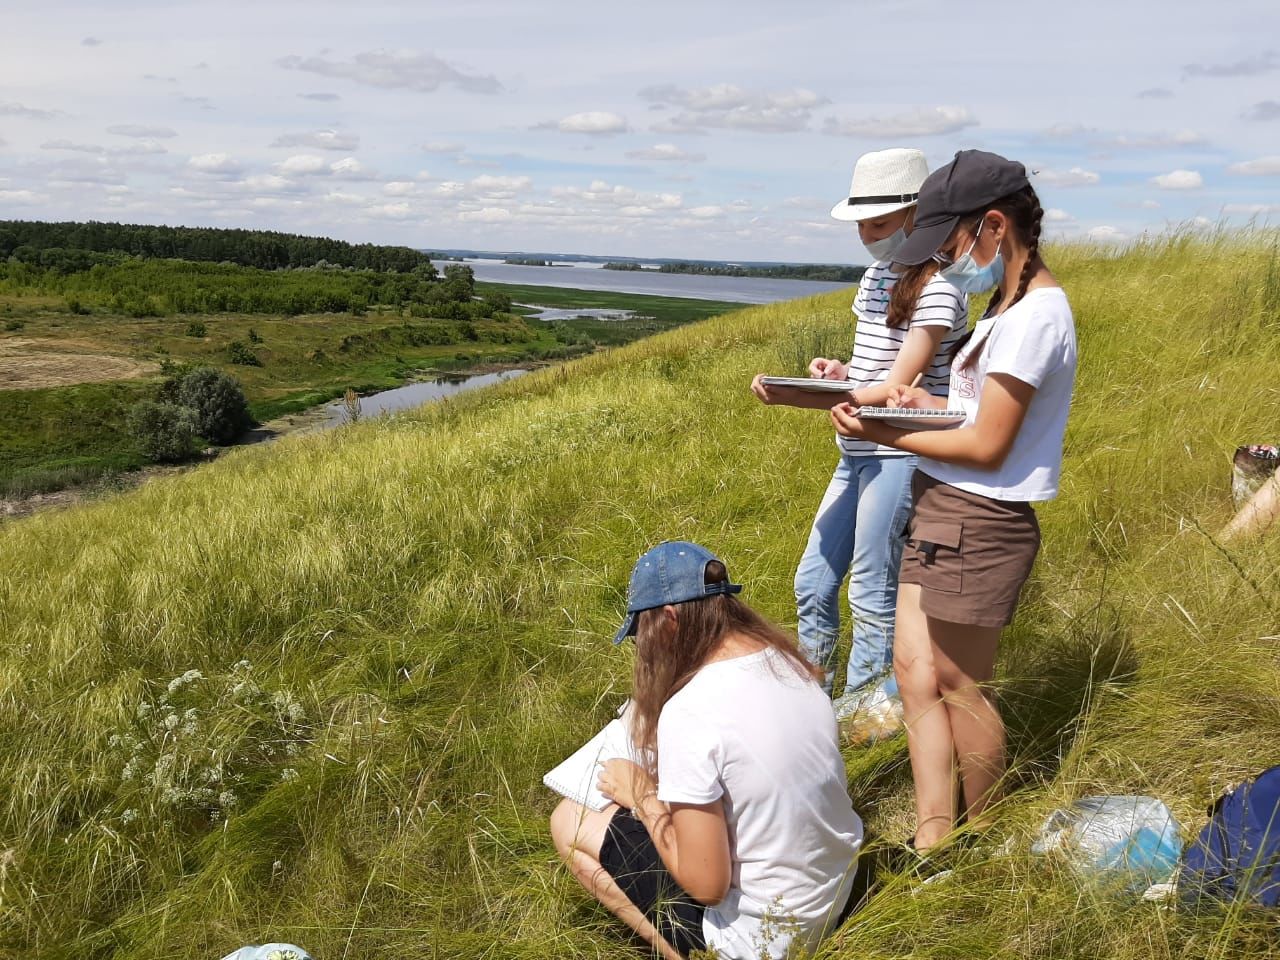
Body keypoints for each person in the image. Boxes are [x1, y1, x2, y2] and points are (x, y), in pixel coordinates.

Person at [828, 149, 1077, 852]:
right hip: (946, 504)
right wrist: (924, 403)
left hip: (983, 517)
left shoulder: (1036, 317)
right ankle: (934, 835)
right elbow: (975, 413)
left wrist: (886, 429)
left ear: (993, 226)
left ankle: (982, 835)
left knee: (962, 686)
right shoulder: (1006, 307)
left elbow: (990, 446)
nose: (942, 256)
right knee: (914, 672)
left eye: (949, 241)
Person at [549, 541, 863, 960]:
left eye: (642, 633)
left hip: (763, 941)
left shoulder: (690, 711)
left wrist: (642, 796)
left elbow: (708, 887)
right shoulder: (788, 664)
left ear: (670, 619)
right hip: (836, 893)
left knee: (569, 819)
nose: (642, 649)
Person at [751, 147, 968, 735]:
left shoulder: (942, 286)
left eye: (877, 224)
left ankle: (859, 723)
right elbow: (873, 369)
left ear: (915, 218)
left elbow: (902, 384)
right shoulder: (876, 278)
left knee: (873, 589)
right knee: (812, 582)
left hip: (900, 450)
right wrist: (836, 373)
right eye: (861, 226)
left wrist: (806, 396)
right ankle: (811, 710)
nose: (867, 237)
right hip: (857, 449)